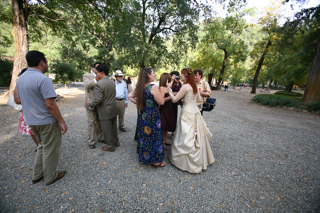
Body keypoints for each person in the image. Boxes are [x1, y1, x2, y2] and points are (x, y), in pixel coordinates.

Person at [16, 50, 67, 185]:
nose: (47, 65)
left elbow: (20, 99)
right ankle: (50, 176)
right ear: (41, 62)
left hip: (31, 120)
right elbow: (50, 105)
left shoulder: (20, 79)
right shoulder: (43, 79)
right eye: (47, 62)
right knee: (50, 148)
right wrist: (61, 121)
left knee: (42, 146)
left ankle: (37, 174)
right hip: (46, 120)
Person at [166, 68, 215, 173]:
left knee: (185, 136)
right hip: (195, 113)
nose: (181, 76)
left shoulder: (185, 87)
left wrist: (169, 90)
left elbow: (174, 100)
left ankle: (183, 160)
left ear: (186, 75)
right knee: (193, 135)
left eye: (182, 74)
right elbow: (197, 99)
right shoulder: (195, 86)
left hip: (186, 114)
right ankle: (198, 160)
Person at [128, 67, 166, 167]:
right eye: (153, 73)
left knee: (145, 136)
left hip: (143, 115)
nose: (154, 75)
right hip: (153, 116)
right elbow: (161, 102)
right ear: (148, 75)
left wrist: (140, 104)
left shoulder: (140, 86)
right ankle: (156, 161)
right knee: (155, 136)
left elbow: (129, 96)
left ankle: (146, 157)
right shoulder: (152, 87)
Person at [87, 64, 119, 152]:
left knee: (107, 129)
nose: (96, 75)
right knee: (113, 127)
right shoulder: (112, 82)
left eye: (97, 73)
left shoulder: (99, 84)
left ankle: (110, 147)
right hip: (113, 107)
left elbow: (98, 100)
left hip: (105, 109)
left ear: (102, 72)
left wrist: (90, 104)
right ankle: (116, 142)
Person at [14, 68, 39, 152]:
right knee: (31, 131)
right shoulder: (19, 85)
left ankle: (42, 145)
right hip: (27, 112)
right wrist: (31, 99)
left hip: (37, 110)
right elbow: (17, 100)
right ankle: (39, 145)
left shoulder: (35, 83)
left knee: (40, 130)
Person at [83, 62, 104, 149]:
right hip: (90, 102)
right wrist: (96, 79)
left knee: (99, 121)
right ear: (93, 68)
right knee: (91, 122)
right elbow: (87, 85)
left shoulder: (102, 76)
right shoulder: (86, 75)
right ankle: (91, 141)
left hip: (99, 103)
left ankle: (100, 137)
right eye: (97, 67)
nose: (98, 69)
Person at [159, 73, 176, 149]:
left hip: (169, 108)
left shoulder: (167, 87)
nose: (169, 82)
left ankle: (165, 140)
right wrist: (171, 96)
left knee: (166, 126)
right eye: (168, 80)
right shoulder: (162, 88)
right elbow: (162, 100)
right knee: (163, 126)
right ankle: (162, 142)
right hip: (164, 109)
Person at [169, 71, 182, 140]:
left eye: (177, 76)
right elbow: (168, 89)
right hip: (168, 101)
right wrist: (171, 81)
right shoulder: (168, 82)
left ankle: (173, 133)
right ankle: (165, 130)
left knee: (174, 116)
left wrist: (176, 83)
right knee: (167, 116)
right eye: (174, 76)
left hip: (174, 102)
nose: (175, 78)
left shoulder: (179, 83)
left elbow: (180, 91)